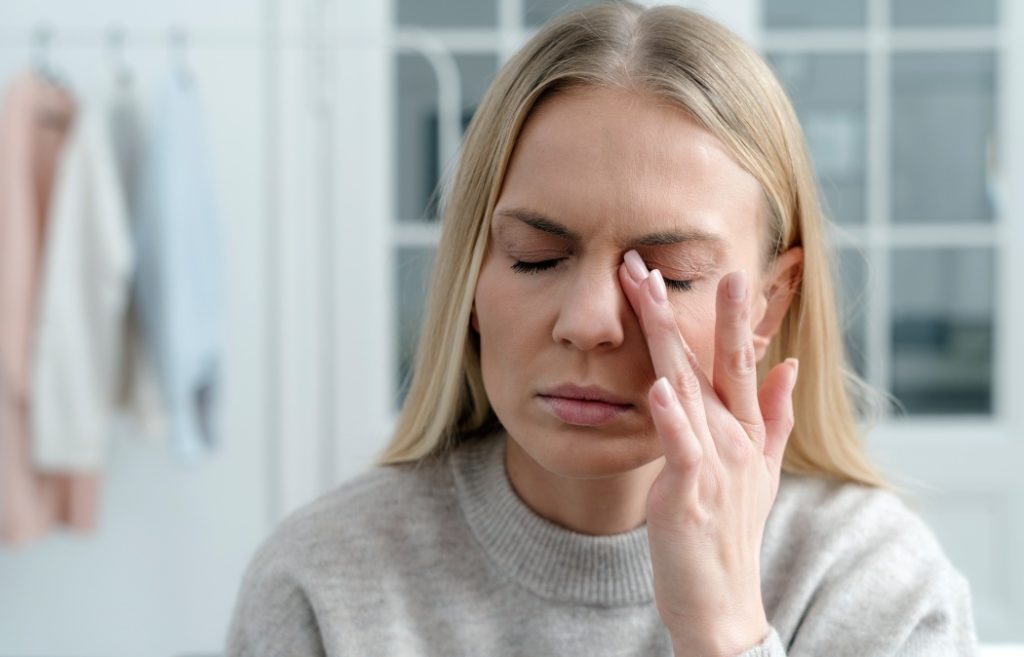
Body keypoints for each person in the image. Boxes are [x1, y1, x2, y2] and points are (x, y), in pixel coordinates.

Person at [226, 3, 978, 655]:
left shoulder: (873, 582)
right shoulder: (322, 581)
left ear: (769, 304)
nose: (588, 323)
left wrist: (725, 634)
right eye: (535, 257)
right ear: (474, 280)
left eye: (669, 274)